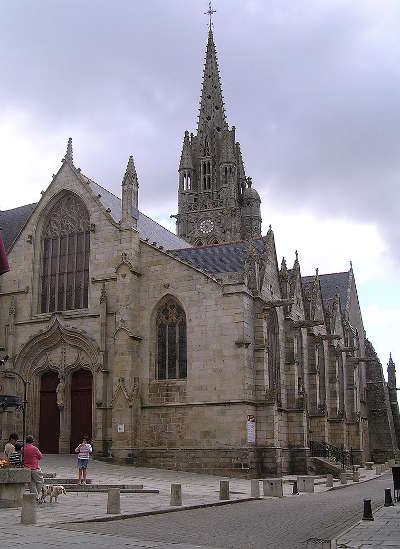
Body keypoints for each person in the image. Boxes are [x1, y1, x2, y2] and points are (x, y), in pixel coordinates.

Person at [24, 435, 43, 503]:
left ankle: (35, 498)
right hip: (34, 468)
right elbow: (40, 457)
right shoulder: (35, 449)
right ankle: (37, 497)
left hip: (26, 468)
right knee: (40, 481)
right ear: (33, 441)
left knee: (31, 484)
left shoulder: (23, 448)